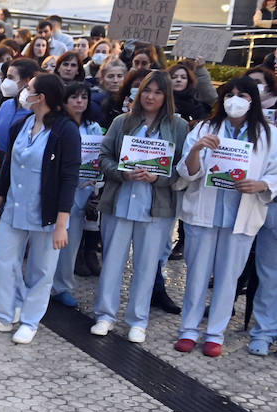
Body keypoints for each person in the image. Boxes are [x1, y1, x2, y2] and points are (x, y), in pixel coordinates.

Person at [0, 74, 80, 344]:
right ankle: (3, 315)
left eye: (28, 89)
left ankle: (30, 320)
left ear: (41, 97)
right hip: (13, 205)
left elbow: (69, 178)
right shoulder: (22, 123)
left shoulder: (65, 131)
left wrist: (61, 224)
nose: (24, 92)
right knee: (2, 259)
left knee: (41, 269)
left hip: (46, 212)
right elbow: (8, 166)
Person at [174, 77, 275, 356]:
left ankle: (215, 333)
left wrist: (262, 185)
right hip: (203, 212)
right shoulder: (206, 128)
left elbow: (274, 173)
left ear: (252, 99)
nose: (235, 99)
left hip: (241, 215)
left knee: (229, 277)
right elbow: (187, 171)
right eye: (229, 94)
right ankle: (188, 330)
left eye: (242, 94)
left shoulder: (269, 135)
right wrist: (196, 149)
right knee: (196, 274)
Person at [90, 69, 188, 343]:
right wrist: (122, 172)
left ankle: (137, 319)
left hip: (155, 208)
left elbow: (182, 169)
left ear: (166, 96)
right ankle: (105, 315)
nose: (151, 96)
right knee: (111, 261)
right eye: (147, 90)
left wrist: (159, 177)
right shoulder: (123, 121)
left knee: (147, 265)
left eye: (158, 92)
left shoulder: (178, 127)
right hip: (120, 202)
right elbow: (104, 156)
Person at [51, 81, 106, 307]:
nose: (79, 101)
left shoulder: (93, 128)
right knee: (46, 241)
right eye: (74, 97)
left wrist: (96, 177)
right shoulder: (56, 124)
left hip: (81, 190)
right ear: (65, 100)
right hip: (57, 189)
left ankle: (62, 286)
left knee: (70, 243)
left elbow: (99, 159)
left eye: (84, 97)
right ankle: (40, 283)